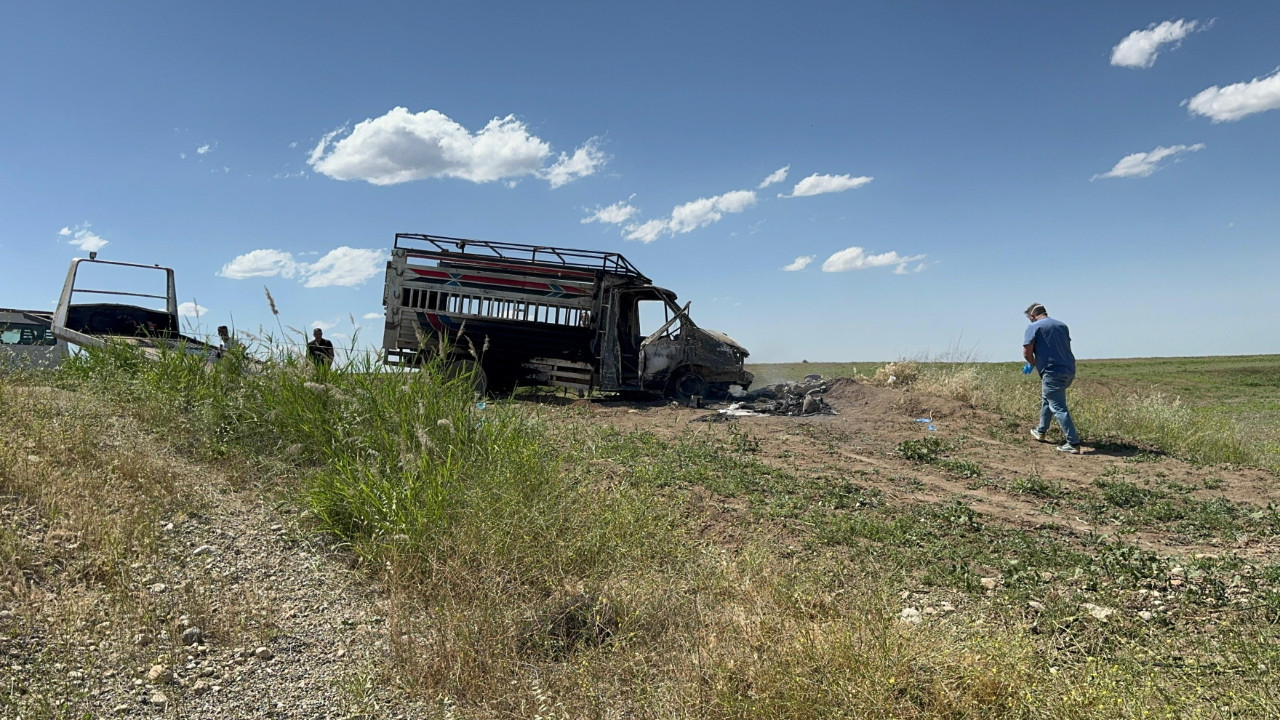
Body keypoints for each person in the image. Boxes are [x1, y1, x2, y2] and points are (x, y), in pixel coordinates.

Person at [1023, 303, 1081, 454]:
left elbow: (1027, 352)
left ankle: (1073, 443)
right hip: (1068, 370)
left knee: (1058, 406)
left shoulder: (1034, 327)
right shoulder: (1062, 326)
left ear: (1032, 316)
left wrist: (1031, 363)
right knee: (1048, 399)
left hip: (1051, 371)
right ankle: (1041, 431)